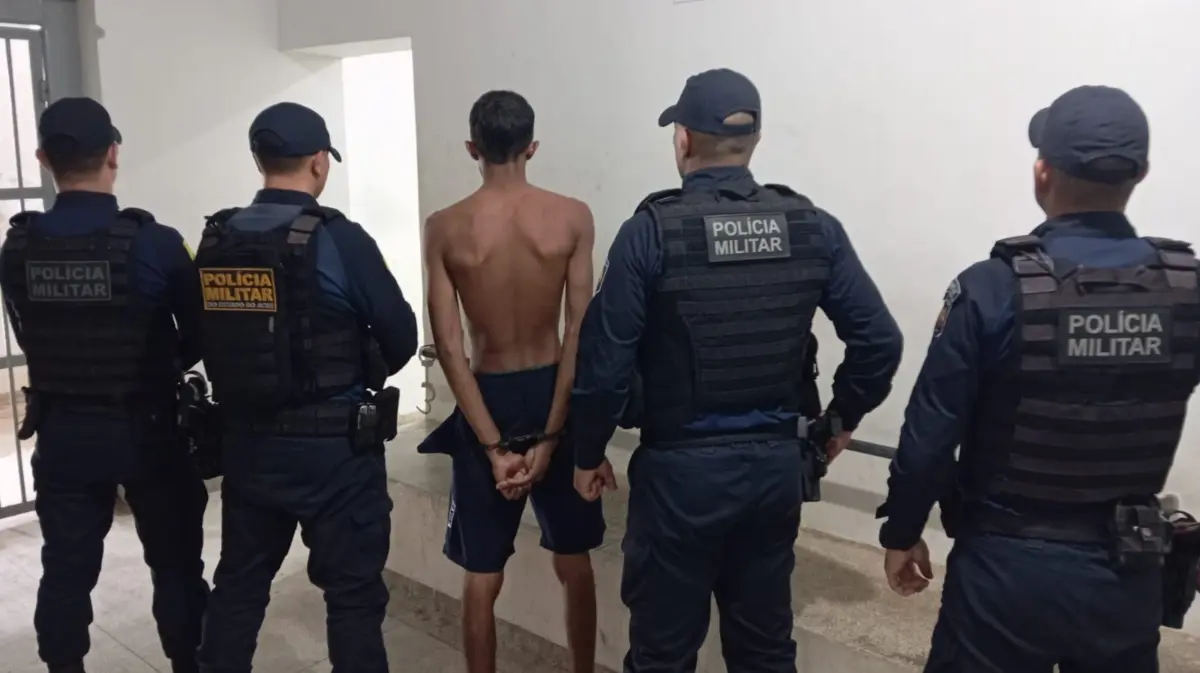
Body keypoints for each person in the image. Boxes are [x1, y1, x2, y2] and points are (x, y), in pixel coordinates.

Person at [571, 68, 904, 673]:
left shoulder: (650, 233)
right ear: (754, 142)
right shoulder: (811, 226)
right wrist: (839, 420)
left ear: (682, 140)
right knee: (764, 651)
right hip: (774, 473)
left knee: (662, 654)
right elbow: (879, 340)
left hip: (679, 476)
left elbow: (604, 363)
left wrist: (588, 452)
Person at [878, 85, 1200, 673]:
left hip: (1004, 570)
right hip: (1126, 571)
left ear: (1042, 172)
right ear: (1141, 173)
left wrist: (901, 531)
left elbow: (929, 435)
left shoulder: (992, 288)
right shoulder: (1186, 291)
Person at [195, 102, 419, 673]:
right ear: (320, 162)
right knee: (352, 599)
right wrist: (357, 368)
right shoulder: (340, 239)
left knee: (238, 590)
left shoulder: (217, 239)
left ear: (259, 160)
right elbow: (401, 336)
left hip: (247, 448)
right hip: (334, 453)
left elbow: (201, 337)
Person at [0, 97, 209, 673]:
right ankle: (188, 663)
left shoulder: (17, 246)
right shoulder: (156, 242)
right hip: (149, 430)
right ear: (113, 153)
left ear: (44, 159)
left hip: (63, 431)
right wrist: (158, 365)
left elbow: (29, 331)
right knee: (176, 566)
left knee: (66, 571)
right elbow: (199, 336)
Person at [418, 90, 602, 673]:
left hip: (488, 396)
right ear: (533, 147)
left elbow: (449, 346)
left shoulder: (445, 227)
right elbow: (579, 335)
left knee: (482, 573)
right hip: (553, 392)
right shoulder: (572, 217)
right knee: (574, 561)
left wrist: (494, 446)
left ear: (472, 148)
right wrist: (552, 435)